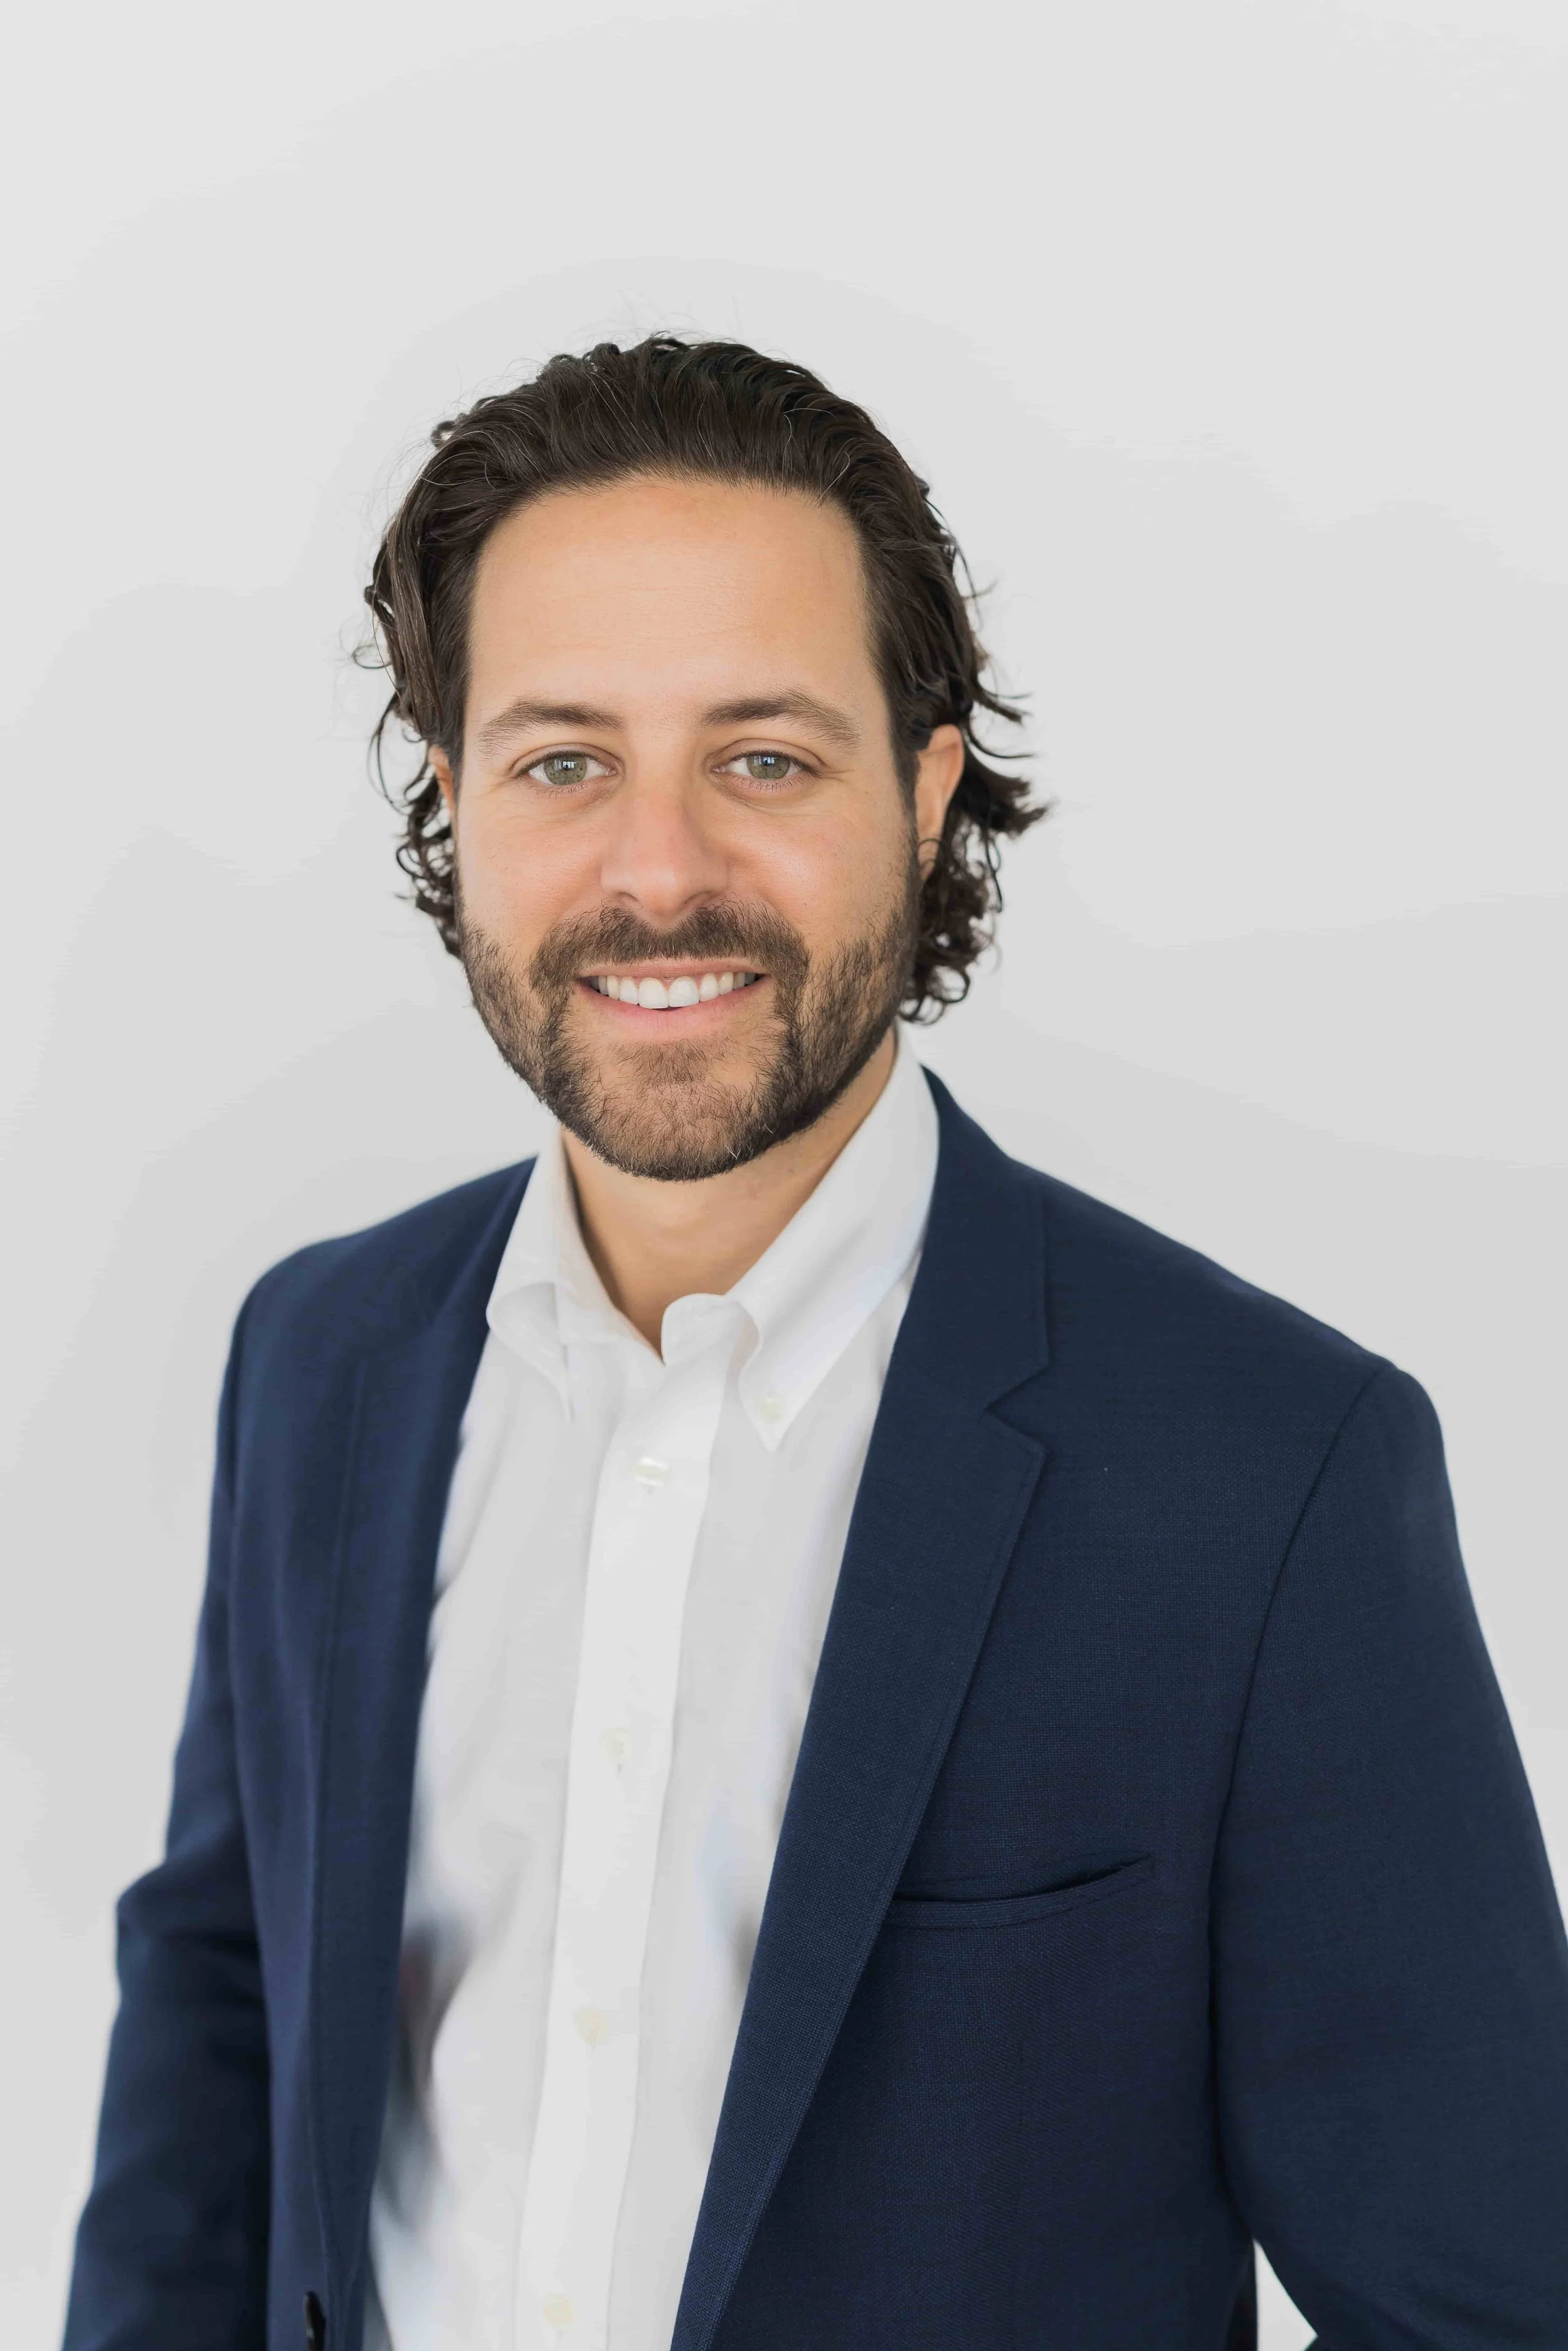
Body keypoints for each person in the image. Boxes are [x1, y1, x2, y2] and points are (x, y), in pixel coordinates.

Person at [63, 336, 1568, 2351]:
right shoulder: (319, 1358)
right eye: (560, 758)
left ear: (926, 792)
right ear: (453, 797)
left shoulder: (1268, 1474)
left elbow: (1484, 2305)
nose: (657, 867)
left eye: (761, 756)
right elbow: (225, 2007)